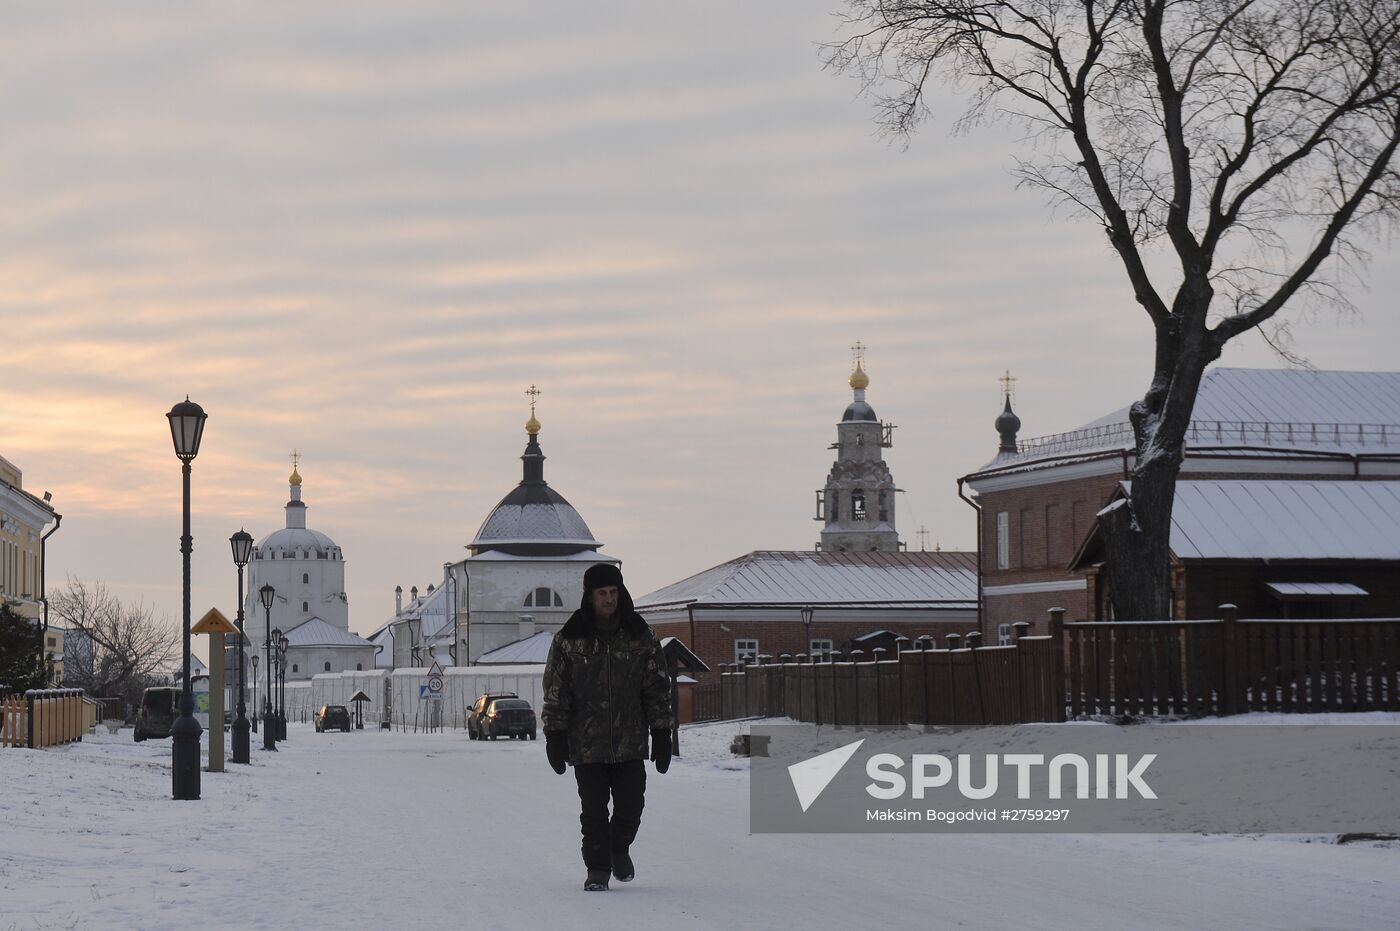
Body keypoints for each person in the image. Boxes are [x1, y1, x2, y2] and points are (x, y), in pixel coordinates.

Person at [542, 563, 674, 891]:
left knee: (632, 805)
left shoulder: (639, 635)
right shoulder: (569, 639)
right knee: (594, 811)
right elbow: (556, 690)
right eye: (602, 593)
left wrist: (661, 732)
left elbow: (656, 686)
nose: (609, 599)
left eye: (614, 592)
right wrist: (555, 734)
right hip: (586, 743)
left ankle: (619, 847)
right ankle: (597, 870)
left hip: (630, 742)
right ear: (589, 596)